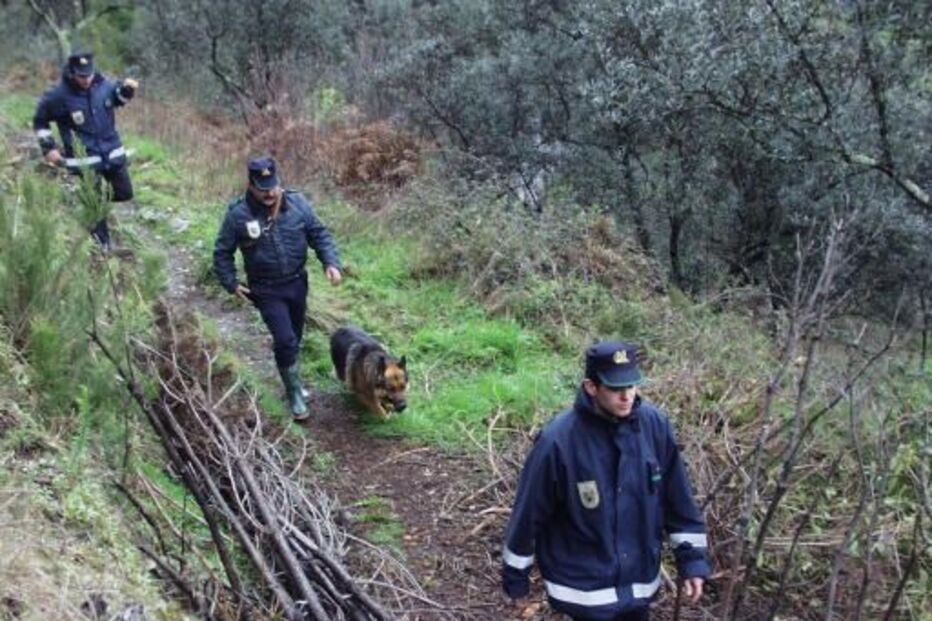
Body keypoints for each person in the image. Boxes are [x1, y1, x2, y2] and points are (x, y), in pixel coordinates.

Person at [501, 341, 710, 621]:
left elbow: (678, 499)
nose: (626, 396)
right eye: (615, 388)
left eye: (632, 385)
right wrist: (516, 577)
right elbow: (528, 513)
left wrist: (692, 561)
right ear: (591, 387)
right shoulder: (558, 441)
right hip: (582, 590)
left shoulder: (654, 427)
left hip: (638, 585)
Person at [213, 157, 342, 421]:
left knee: (294, 336)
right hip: (266, 289)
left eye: (273, 185)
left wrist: (330, 262)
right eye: (263, 188)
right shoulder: (238, 215)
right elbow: (222, 252)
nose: (270, 193)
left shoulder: (297, 204)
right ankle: (294, 392)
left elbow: (319, 234)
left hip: (297, 283)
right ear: (251, 185)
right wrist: (232, 283)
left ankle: (292, 378)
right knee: (285, 339)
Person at [33, 50, 138, 250]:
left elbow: (119, 100)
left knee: (124, 193)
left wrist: (126, 91)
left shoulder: (105, 85)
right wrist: (49, 148)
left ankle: (87, 205)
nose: (86, 79)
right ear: (72, 72)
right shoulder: (57, 96)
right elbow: (40, 121)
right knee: (95, 202)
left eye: (89, 74)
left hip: (112, 154)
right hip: (84, 161)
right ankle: (101, 249)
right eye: (82, 76)